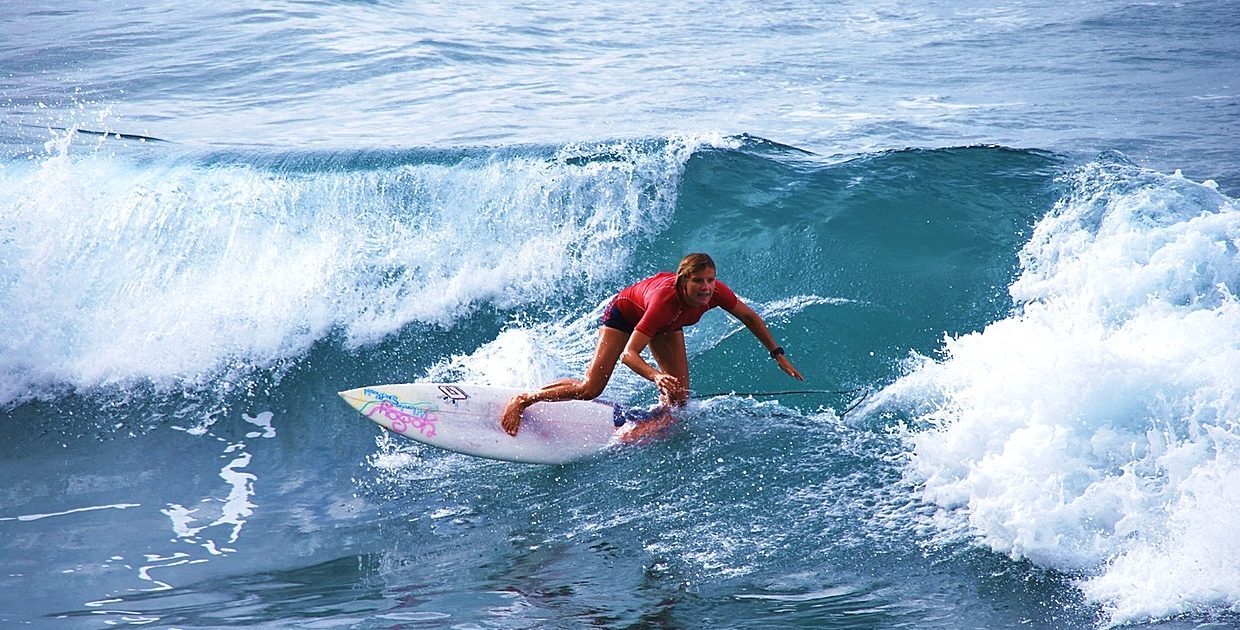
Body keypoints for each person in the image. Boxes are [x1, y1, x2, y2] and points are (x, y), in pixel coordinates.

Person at [501, 253, 804, 436]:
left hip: (668, 325)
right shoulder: (663, 301)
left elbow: (749, 317)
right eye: (699, 281)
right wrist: (656, 376)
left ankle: (647, 425)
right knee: (590, 389)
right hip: (626, 313)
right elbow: (630, 355)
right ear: (683, 281)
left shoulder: (715, 293)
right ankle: (524, 399)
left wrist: (777, 354)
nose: (707, 287)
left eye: (711, 280)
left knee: (680, 399)